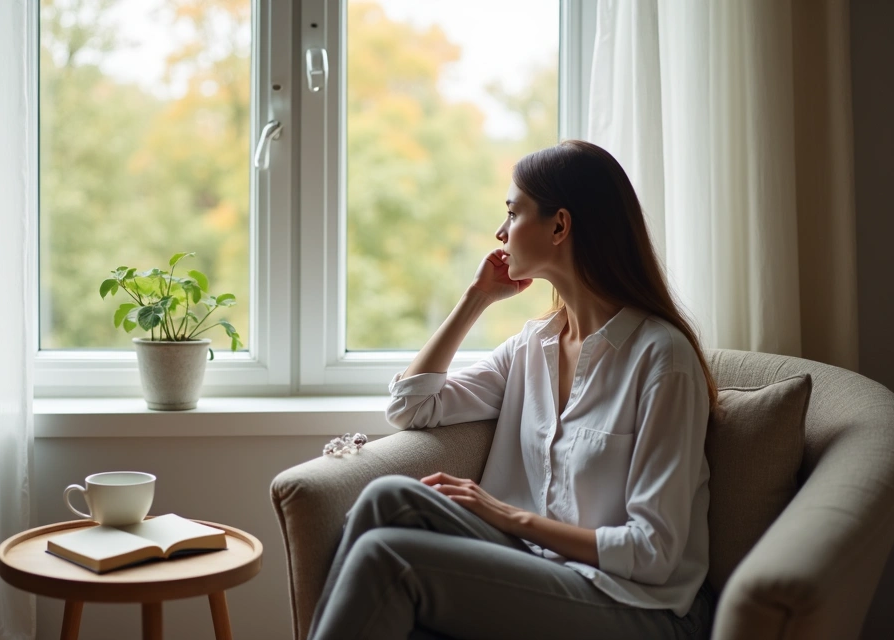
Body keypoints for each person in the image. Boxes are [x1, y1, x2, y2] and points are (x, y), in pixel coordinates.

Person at [307, 140, 719, 640]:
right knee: (386, 498)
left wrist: (508, 515)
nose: (501, 233)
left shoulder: (661, 359)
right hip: (536, 568)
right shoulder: (536, 345)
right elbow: (411, 406)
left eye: (513, 212)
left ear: (560, 226)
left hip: (633, 604)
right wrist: (475, 298)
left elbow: (653, 553)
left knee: (388, 557)